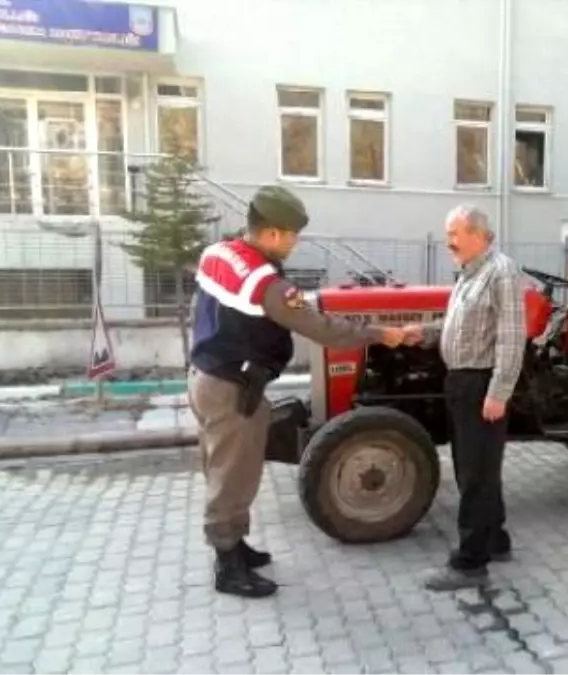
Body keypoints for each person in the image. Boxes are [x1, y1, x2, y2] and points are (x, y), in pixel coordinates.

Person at [188, 185, 404, 598]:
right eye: (291, 235)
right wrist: (380, 334)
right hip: (232, 388)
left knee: (221, 467)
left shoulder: (218, 252)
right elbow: (320, 328)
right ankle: (227, 566)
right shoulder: (264, 282)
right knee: (234, 474)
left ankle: (235, 545)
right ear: (271, 233)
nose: (294, 243)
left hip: (204, 375)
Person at [402, 204, 526, 592]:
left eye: (454, 234)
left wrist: (499, 391)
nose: (448, 242)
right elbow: (459, 328)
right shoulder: (469, 275)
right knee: (477, 469)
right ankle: (495, 539)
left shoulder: (500, 272)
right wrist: (422, 332)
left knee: (475, 474)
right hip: (461, 382)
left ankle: (470, 563)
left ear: (477, 234)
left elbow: (511, 336)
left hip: (481, 384)